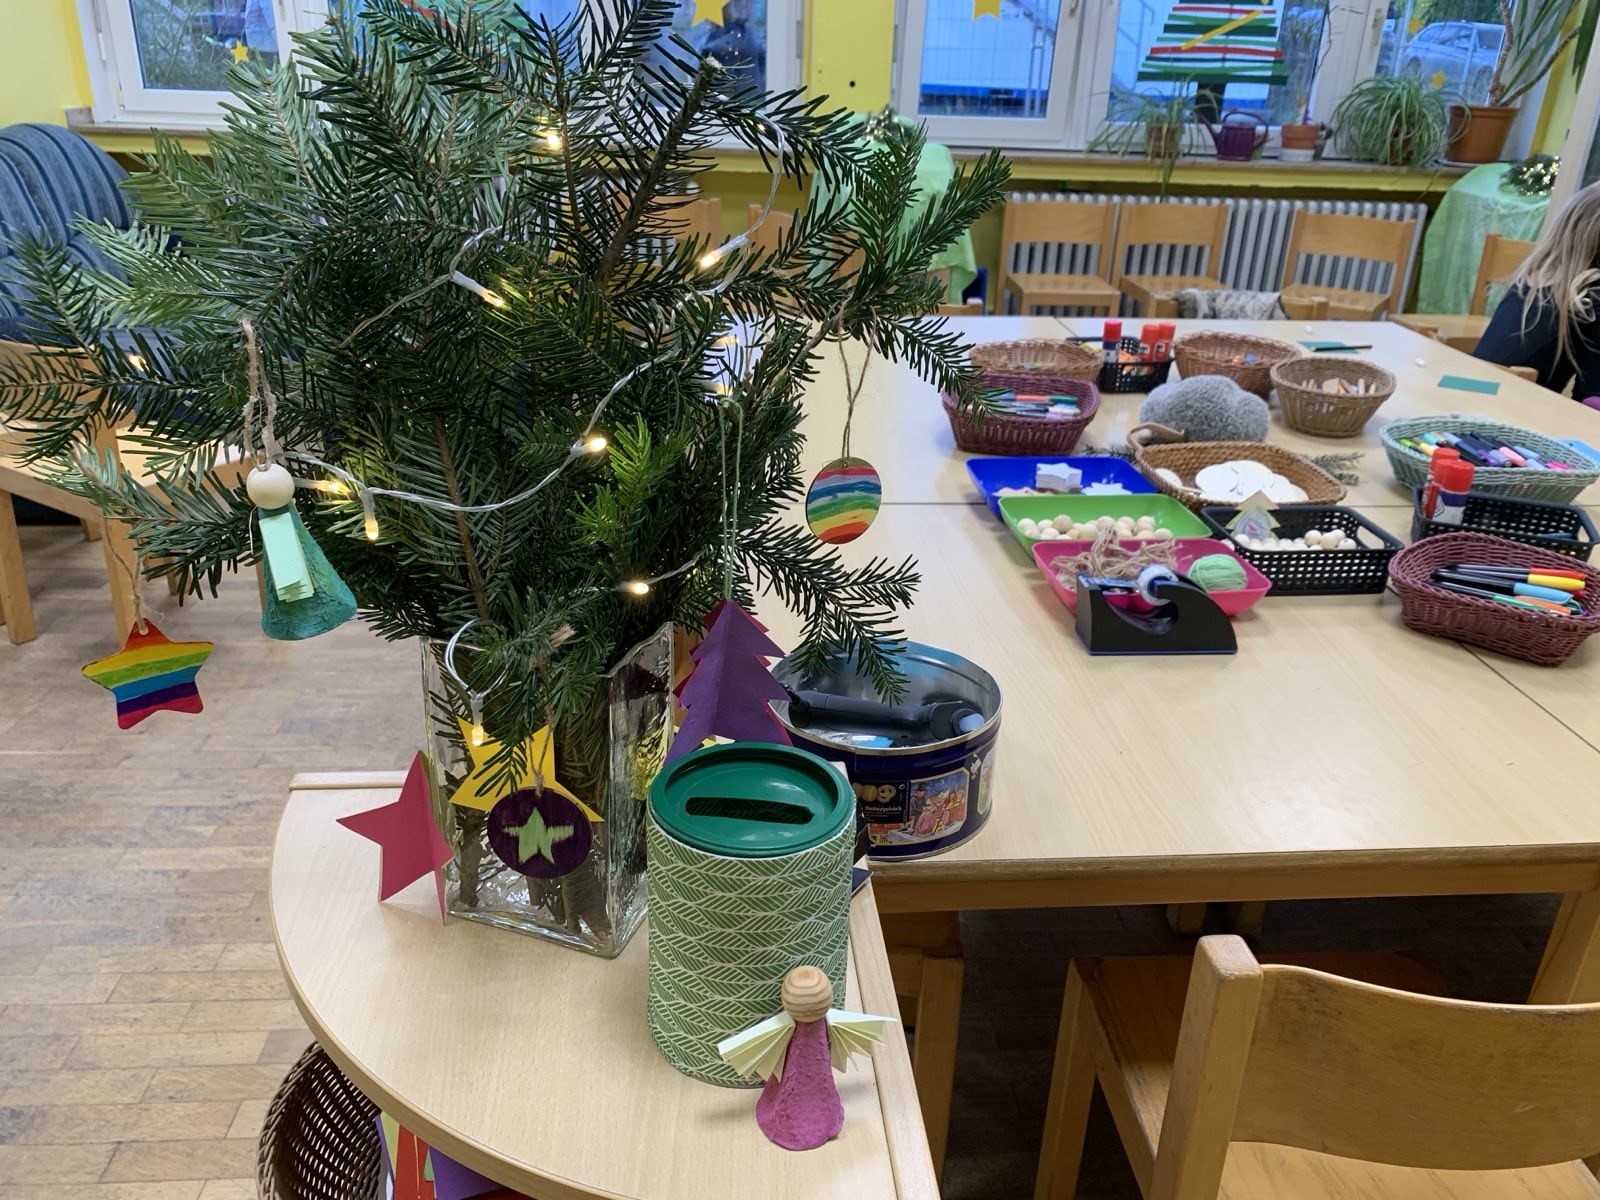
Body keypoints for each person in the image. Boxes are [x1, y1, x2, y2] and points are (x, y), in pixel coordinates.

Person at [1474, 182, 1600, 400]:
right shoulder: (1591, 296)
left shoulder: (1531, 276)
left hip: (1469, 391)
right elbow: (1591, 401)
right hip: (1512, 412)